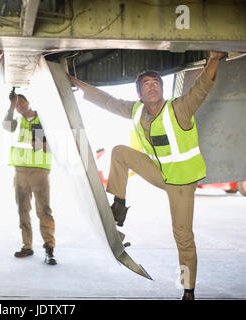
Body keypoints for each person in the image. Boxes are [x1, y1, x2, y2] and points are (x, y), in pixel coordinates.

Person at [67, 51, 226, 299]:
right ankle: (118, 208)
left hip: (181, 182)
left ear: (162, 89)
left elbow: (201, 87)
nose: (151, 87)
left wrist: (214, 59)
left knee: (183, 237)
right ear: (140, 93)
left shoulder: (179, 109)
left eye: (156, 83)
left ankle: (188, 290)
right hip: (159, 172)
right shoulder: (136, 110)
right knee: (120, 152)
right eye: (146, 85)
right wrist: (76, 82)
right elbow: (107, 100)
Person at [2, 90, 57, 265]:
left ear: (28, 102)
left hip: (39, 171)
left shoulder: (43, 120)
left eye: (21, 103)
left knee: (43, 211)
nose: (19, 107)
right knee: (23, 210)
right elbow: (6, 126)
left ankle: (49, 249)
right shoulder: (16, 122)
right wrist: (11, 105)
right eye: (16, 105)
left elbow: (47, 146)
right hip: (20, 171)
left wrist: (34, 143)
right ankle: (27, 246)